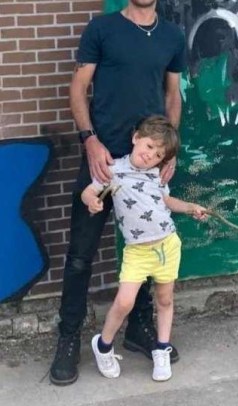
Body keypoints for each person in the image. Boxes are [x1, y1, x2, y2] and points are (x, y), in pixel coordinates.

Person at [50, 0, 187, 386]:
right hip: (105, 162)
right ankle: (68, 339)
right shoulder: (102, 29)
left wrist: (168, 152)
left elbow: (172, 96)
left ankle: (140, 330)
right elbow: (78, 89)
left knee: (149, 244)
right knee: (80, 255)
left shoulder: (171, 36)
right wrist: (89, 141)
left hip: (147, 165)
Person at [82, 115, 207, 382]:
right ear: (136, 138)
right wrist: (92, 200)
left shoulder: (156, 175)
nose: (151, 155)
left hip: (167, 245)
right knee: (125, 301)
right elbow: (88, 191)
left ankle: (162, 349)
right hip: (137, 251)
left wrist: (190, 207)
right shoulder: (114, 169)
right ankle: (103, 345)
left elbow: (167, 201)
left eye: (158, 154)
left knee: (165, 300)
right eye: (149, 146)